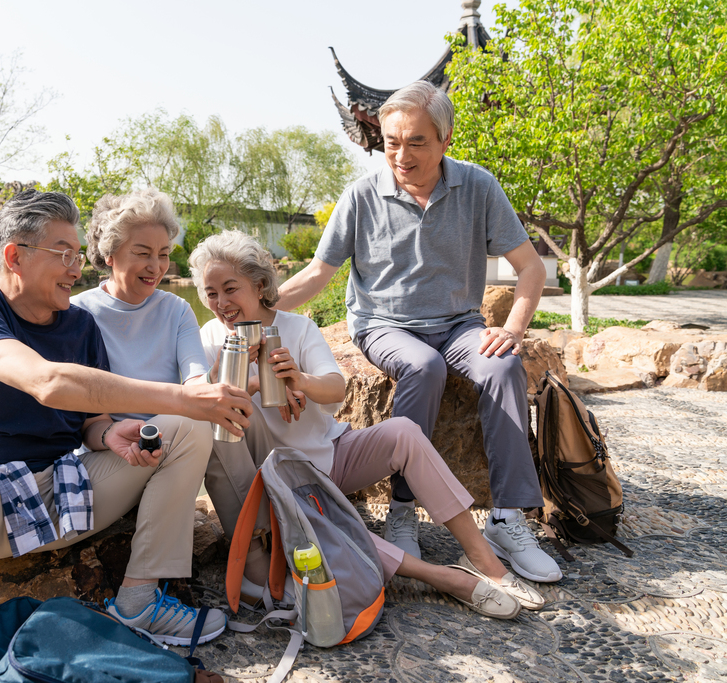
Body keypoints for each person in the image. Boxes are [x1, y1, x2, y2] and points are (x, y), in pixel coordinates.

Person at [0, 190, 253, 648]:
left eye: (78, 254)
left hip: (68, 496)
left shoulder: (79, 325)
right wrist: (184, 396)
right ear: (14, 256)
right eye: (63, 254)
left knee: (186, 428)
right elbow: (46, 381)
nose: (77, 268)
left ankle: (140, 598)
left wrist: (108, 433)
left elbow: (89, 420)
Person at [276, 81, 561, 584]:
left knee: (502, 366)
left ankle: (508, 518)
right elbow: (319, 274)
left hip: (459, 324)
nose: (400, 155)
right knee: (423, 368)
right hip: (383, 323)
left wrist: (514, 328)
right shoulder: (361, 196)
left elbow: (530, 269)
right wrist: (256, 309)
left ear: (445, 138)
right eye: (390, 142)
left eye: (416, 142)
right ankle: (403, 510)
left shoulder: (477, 186)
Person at [190, 230, 545, 619]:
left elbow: (336, 388)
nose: (221, 303)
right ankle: (444, 578)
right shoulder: (209, 338)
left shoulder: (296, 328)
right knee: (323, 526)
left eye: (230, 289)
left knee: (404, 433)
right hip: (279, 485)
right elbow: (200, 404)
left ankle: (484, 559)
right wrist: (246, 379)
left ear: (259, 285)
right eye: (210, 293)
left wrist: (300, 380)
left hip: (330, 457)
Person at [70, 187, 215, 621]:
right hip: (107, 460)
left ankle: (255, 550)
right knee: (190, 426)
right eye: (142, 252)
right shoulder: (77, 315)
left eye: (164, 254)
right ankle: (139, 601)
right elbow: (77, 420)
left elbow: (196, 380)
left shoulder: (176, 311)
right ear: (110, 252)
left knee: (201, 422)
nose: (156, 267)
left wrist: (215, 393)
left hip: (169, 453)